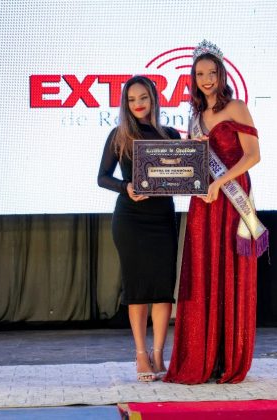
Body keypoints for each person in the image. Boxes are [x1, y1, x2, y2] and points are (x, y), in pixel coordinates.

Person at [164, 40, 268, 385]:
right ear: (193, 79)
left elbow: (253, 156)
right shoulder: (195, 117)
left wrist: (220, 181)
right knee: (203, 270)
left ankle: (229, 359)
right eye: (200, 74)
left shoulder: (237, 107)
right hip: (204, 202)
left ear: (222, 75)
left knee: (230, 270)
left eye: (212, 73)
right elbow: (194, 163)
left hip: (232, 198)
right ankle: (202, 355)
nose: (207, 79)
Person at [97, 75, 180, 382]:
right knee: (137, 290)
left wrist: (197, 153)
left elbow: (186, 173)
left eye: (143, 97)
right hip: (130, 220)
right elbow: (102, 177)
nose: (138, 104)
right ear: (125, 104)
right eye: (131, 99)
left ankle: (159, 355)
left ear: (153, 99)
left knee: (162, 290)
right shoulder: (119, 135)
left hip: (162, 218)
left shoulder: (171, 135)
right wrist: (126, 187)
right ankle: (141, 355)